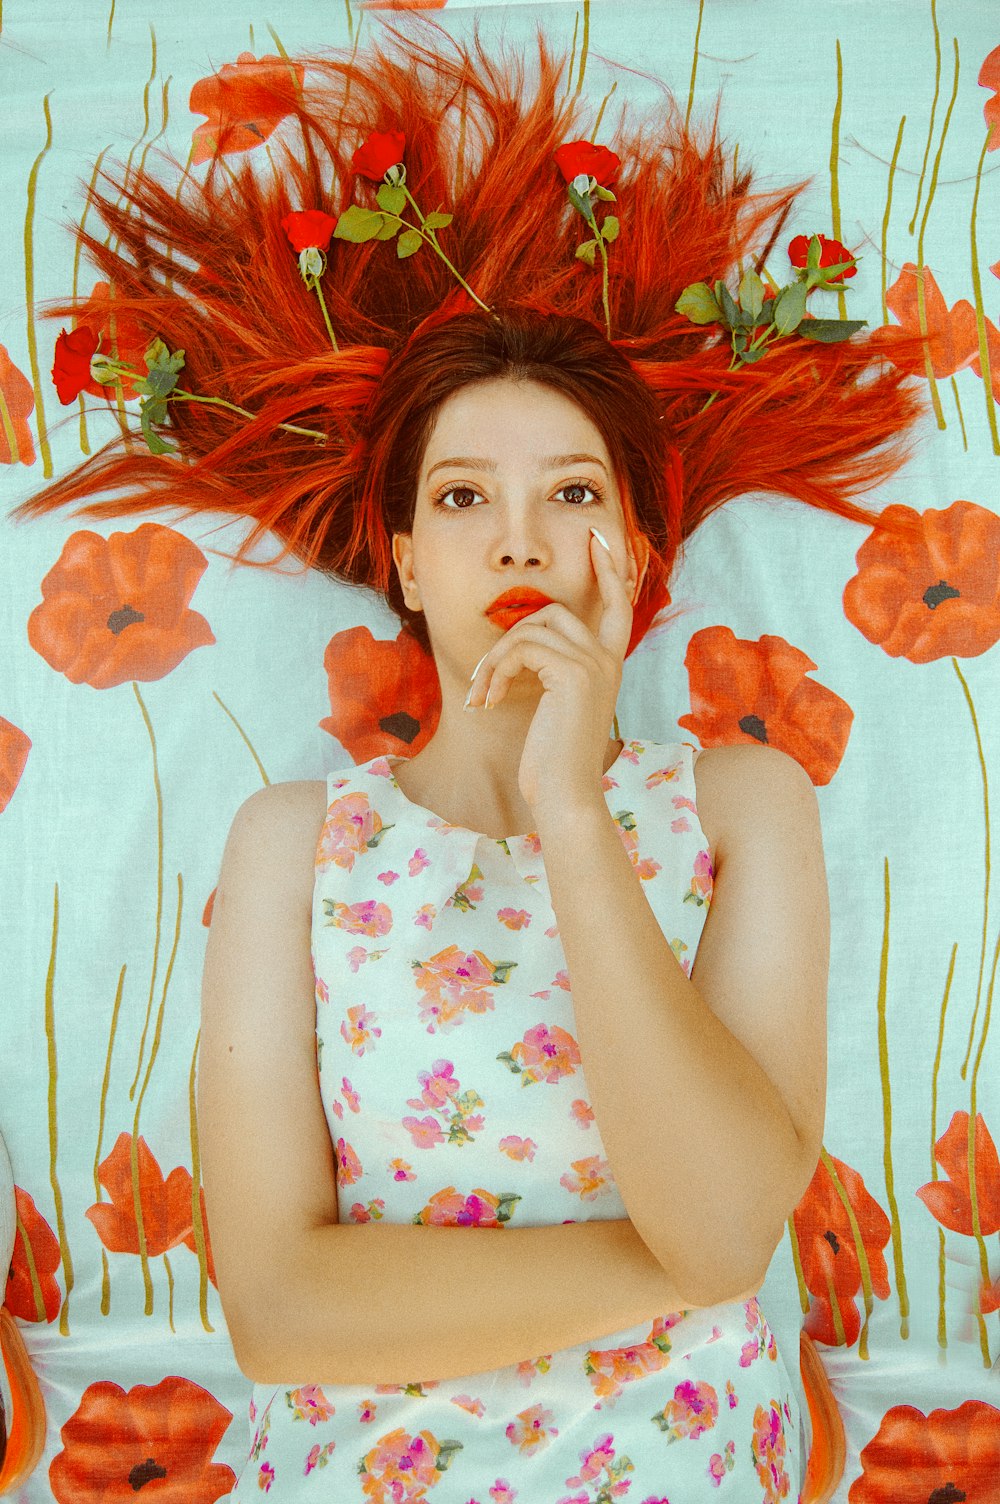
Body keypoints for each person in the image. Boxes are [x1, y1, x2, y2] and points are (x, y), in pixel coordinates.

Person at [15, 19, 924, 1498]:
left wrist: (573, 809)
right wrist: (682, 1260)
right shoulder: (291, 843)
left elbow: (729, 1232)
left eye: (571, 492)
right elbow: (281, 1313)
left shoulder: (741, 803)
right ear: (406, 563)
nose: (517, 538)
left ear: (635, 552)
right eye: (461, 497)